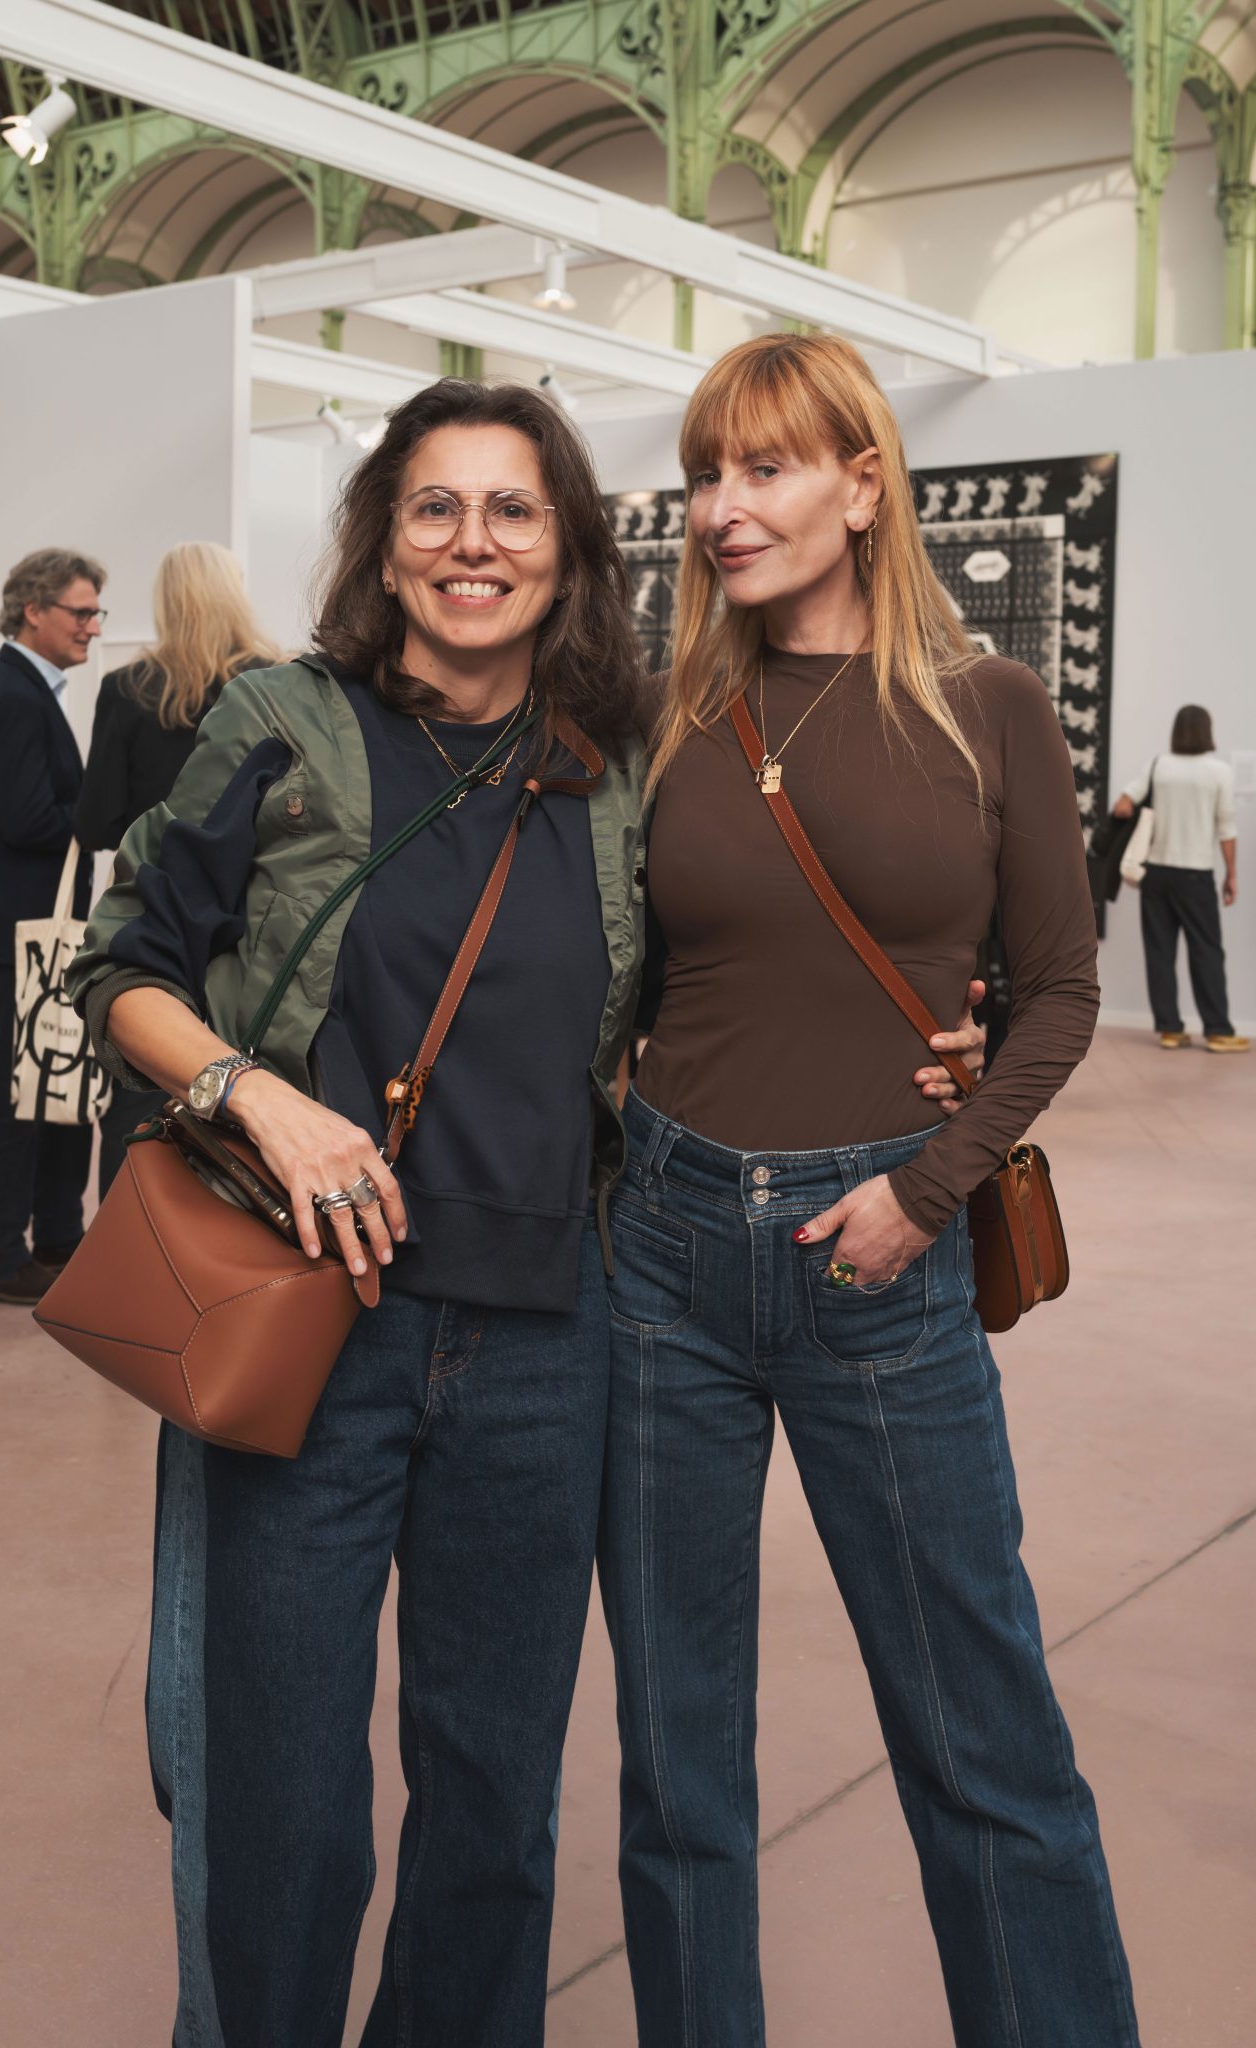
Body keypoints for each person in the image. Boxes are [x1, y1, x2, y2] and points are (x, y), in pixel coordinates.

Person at [66, 377, 984, 2047]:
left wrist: (946, 1039)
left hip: (545, 1340)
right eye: (434, 506)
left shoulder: (622, 764)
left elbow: (746, 960)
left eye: (512, 509)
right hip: (309, 1322)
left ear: (566, 551)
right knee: (284, 1794)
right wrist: (256, 1094)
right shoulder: (282, 719)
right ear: (383, 542)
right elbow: (121, 960)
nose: (471, 541)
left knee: (493, 1800)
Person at [600, 334, 1139, 2048]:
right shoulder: (669, 717)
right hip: (662, 1253)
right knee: (676, 1754)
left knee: (981, 1737)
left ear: (859, 484)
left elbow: (1059, 989)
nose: (719, 507)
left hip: (878, 1257)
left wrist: (928, 1184)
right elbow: (614, 975)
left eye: (761, 469)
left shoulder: (986, 708)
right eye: (703, 474)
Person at [73, 540, 281, 1195]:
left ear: (166, 600)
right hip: (254, 925)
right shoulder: (279, 684)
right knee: (256, 1100)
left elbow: (96, 822)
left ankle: (131, 1245)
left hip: (157, 917)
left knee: (139, 1097)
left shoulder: (127, 689)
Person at [0, 548, 105, 1305]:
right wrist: (108, 809)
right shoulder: (9, 694)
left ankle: (54, 1238)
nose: (93, 626)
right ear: (33, 610)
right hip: (11, 932)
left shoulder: (22, 688)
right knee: (16, 1096)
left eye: (96, 612)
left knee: (52, 1087)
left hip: (27, 927)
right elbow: (29, 819)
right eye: (81, 612)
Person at [1112, 704, 1245, 1051]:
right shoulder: (1219, 772)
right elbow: (1226, 828)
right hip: (1196, 874)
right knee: (1207, 951)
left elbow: (1122, 806)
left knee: (1160, 950)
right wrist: (1231, 874)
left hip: (1155, 874)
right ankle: (1218, 1031)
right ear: (1206, 730)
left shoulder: (1159, 766)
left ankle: (1170, 1030)